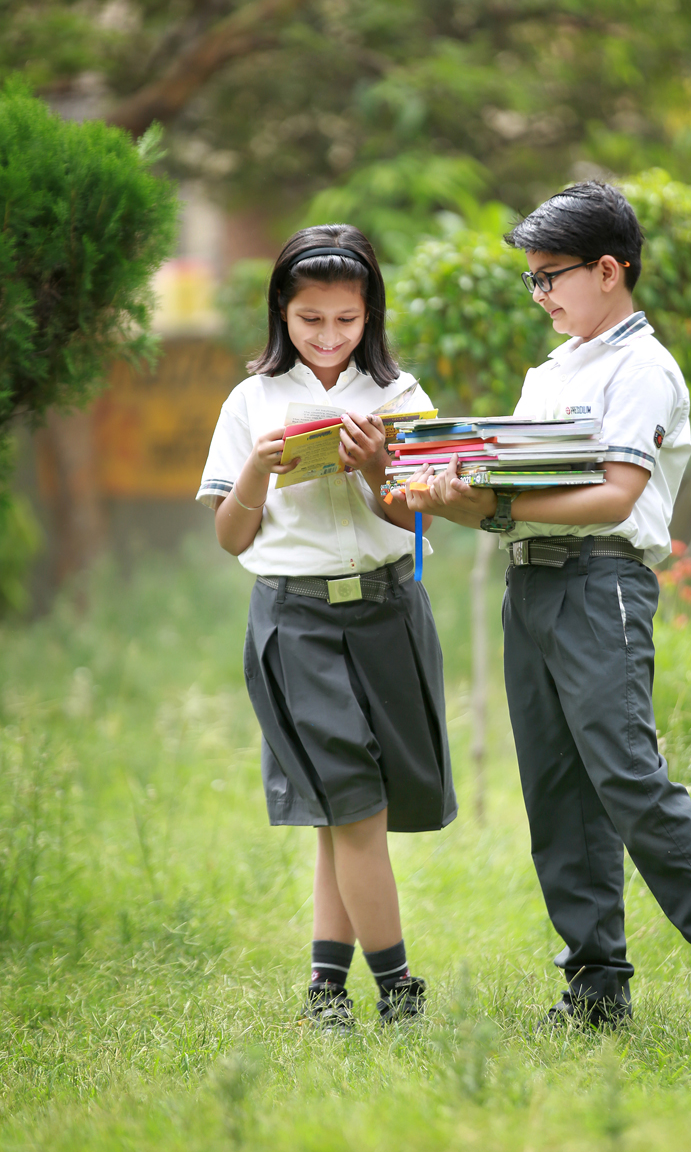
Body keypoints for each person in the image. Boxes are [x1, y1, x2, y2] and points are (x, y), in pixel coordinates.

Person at [398, 182, 691, 1031]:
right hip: (531, 587)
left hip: (602, 587)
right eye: (531, 279)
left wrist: (492, 508)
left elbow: (613, 496)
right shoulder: (550, 371)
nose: (540, 294)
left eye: (550, 276)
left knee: (630, 783)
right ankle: (597, 989)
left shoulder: (646, 368)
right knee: (556, 790)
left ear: (609, 269)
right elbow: (510, 489)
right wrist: (451, 491)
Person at [197, 224, 457, 1031]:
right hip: (297, 620)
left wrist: (380, 468)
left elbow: (418, 517)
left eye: (346, 320)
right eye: (311, 320)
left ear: (369, 314)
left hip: (387, 611)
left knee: (348, 813)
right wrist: (257, 469)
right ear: (283, 313)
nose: (328, 338)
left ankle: (324, 991)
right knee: (350, 806)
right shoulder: (251, 402)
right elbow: (231, 537)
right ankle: (401, 993)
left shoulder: (401, 396)